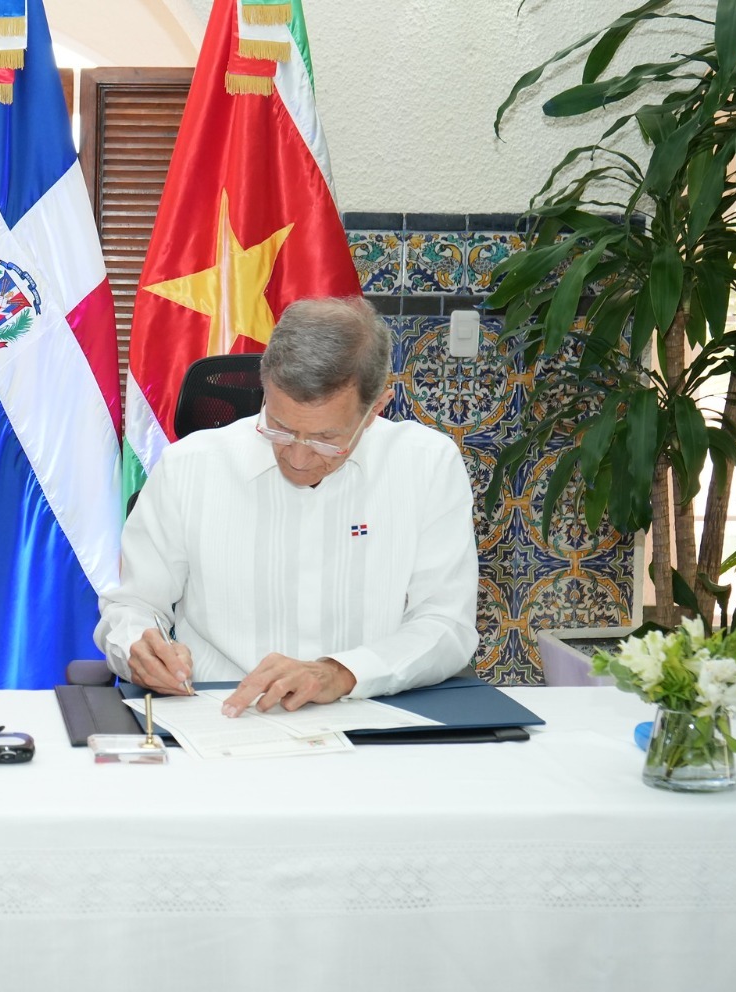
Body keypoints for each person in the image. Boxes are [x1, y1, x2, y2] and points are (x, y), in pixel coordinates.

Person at [94, 297, 479, 716]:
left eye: (325, 439)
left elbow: (446, 624)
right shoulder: (189, 467)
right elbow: (132, 607)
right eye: (279, 428)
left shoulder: (426, 465)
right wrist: (139, 648)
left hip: (370, 716)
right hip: (220, 717)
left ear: (375, 410)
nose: (297, 458)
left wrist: (341, 672)